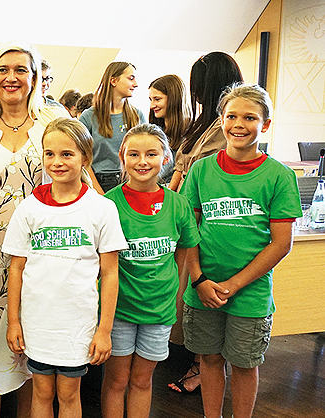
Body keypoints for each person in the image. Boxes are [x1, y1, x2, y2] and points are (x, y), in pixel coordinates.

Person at [0, 41, 69, 418]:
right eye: (3, 70)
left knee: (31, 342)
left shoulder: (55, 123)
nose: (11, 77)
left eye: (21, 69)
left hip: (42, 252)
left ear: (35, 77)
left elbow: (79, 179)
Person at [181, 84, 301, 418]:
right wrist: (199, 279)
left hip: (250, 294)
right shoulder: (202, 170)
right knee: (209, 359)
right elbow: (188, 232)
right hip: (201, 289)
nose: (238, 123)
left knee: (245, 364)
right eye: (231, 115)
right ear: (220, 120)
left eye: (250, 117)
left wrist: (234, 285)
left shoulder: (279, 176)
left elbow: (281, 243)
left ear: (265, 124)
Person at [3, 117, 127, 417]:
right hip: (37, 323)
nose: (57, 162)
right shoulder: (29, 208)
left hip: (78, 326)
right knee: (42, 392)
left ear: (86, 157)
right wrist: (13, 321)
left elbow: (110, 273)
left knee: (70, 394)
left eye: (67, 154)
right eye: (50, 154)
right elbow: (16, 269)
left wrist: (104, 331)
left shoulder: (102, 208)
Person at [101, 124, 200, 418]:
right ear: (122, 157)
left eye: (151, 154)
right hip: (119, 310)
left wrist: (172, 296)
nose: (142, 161)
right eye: (134, 154)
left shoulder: (178, 205)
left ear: (165, 158)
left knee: (143, 381)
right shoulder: (109, 205)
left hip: (159, 312)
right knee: (117, 380)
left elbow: (183, 253)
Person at [167, 52, 244, 395]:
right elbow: (181, 173)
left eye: (199, 86)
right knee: (188, 300)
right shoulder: (204, 124)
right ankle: (200, 362)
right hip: (183, 218)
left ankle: (202, 366)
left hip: (201, 221)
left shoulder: (222, 129)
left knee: (200, 298)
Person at [168, 51, 243, 192]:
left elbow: (205, 172)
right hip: (185, 196)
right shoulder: (202, 122)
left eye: (199, 85)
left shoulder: (224, 127)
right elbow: (180, 166)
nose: (195, 92)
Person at [79, 62, 146, 194]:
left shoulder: (137, 115)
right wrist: (99, 193)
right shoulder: (89, 117)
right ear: (114, 81)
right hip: (98, 182)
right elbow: (82, 159)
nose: (136, 84)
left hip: (131, 181)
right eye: (131, 78)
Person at [148, 75, 191, 184]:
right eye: (151, 100)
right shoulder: (156, 130)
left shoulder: (191, 132)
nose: (152, 105)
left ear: (173, 99)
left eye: (157, 99)